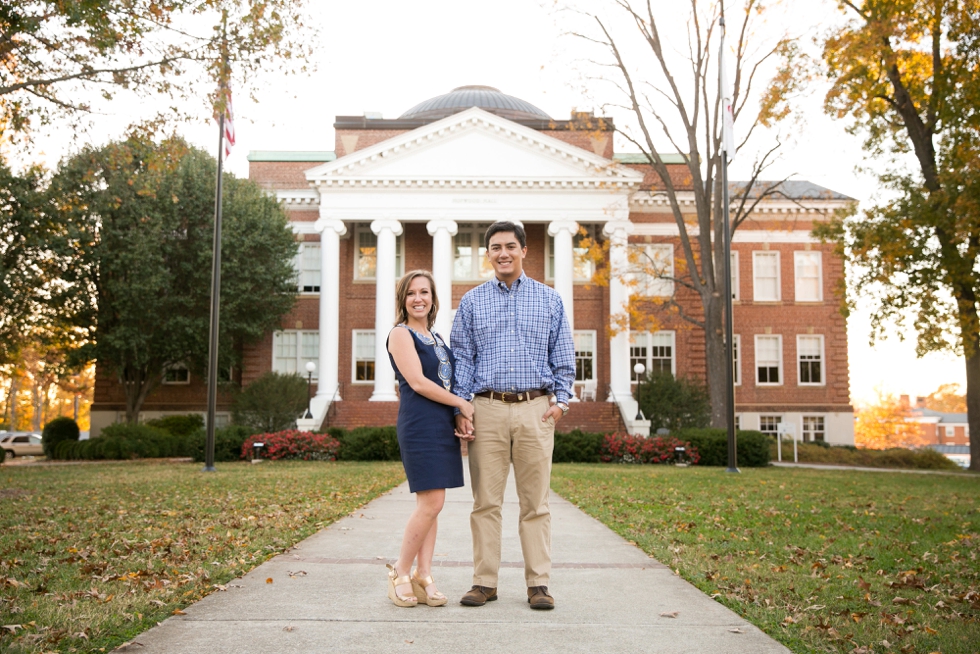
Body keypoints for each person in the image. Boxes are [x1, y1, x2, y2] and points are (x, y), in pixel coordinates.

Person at [450, 221, 575, 611]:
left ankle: (538, 584)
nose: (502, 253)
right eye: (495, 247)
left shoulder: (549, 300)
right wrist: (461, 407)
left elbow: (564, 357)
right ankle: (484, 582)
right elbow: (461, 359)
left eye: (509, 246)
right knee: (485, 502)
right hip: (485, 408)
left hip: (536, 410)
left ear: (524, 251)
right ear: (487, 254)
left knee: (535, 503)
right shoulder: (471, 302)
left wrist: (560, 403)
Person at [385, 270, 476, 608]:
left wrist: (455, 414)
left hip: (440, 425)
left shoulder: (436, 338)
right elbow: (420, 383)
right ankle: (400, 571)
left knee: (432, 506)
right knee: (431, 503)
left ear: (434, 299)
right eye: (411, 293)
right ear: (403, 300)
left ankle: (424, 574)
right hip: (419, 425)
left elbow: (445, 384)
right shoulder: (400, 334)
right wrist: (462, 404)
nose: (418, 298)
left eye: (424, 292)